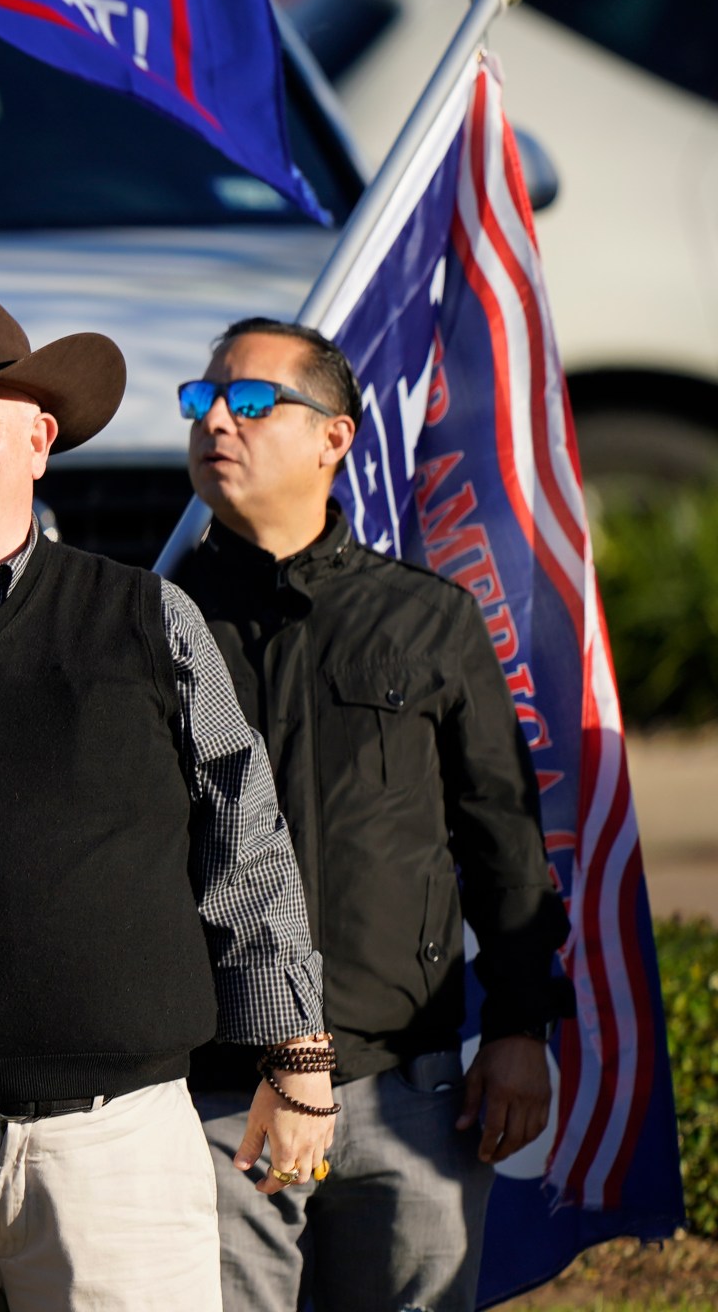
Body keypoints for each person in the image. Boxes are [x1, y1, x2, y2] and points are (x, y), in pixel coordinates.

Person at [0, 279, 335, 1312]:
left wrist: (296, 1060)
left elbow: (244, 839)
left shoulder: (148, 614)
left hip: (119, 1141)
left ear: (39, 438)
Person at [170, 318, 568, 1312]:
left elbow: (502, 840)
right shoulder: (149, 623)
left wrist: (520, 1027)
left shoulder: (427, 619)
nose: (217, 419)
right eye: (202, 399)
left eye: (252, 402)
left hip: (407, 1094)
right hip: (219, 1097)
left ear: (333, 439)